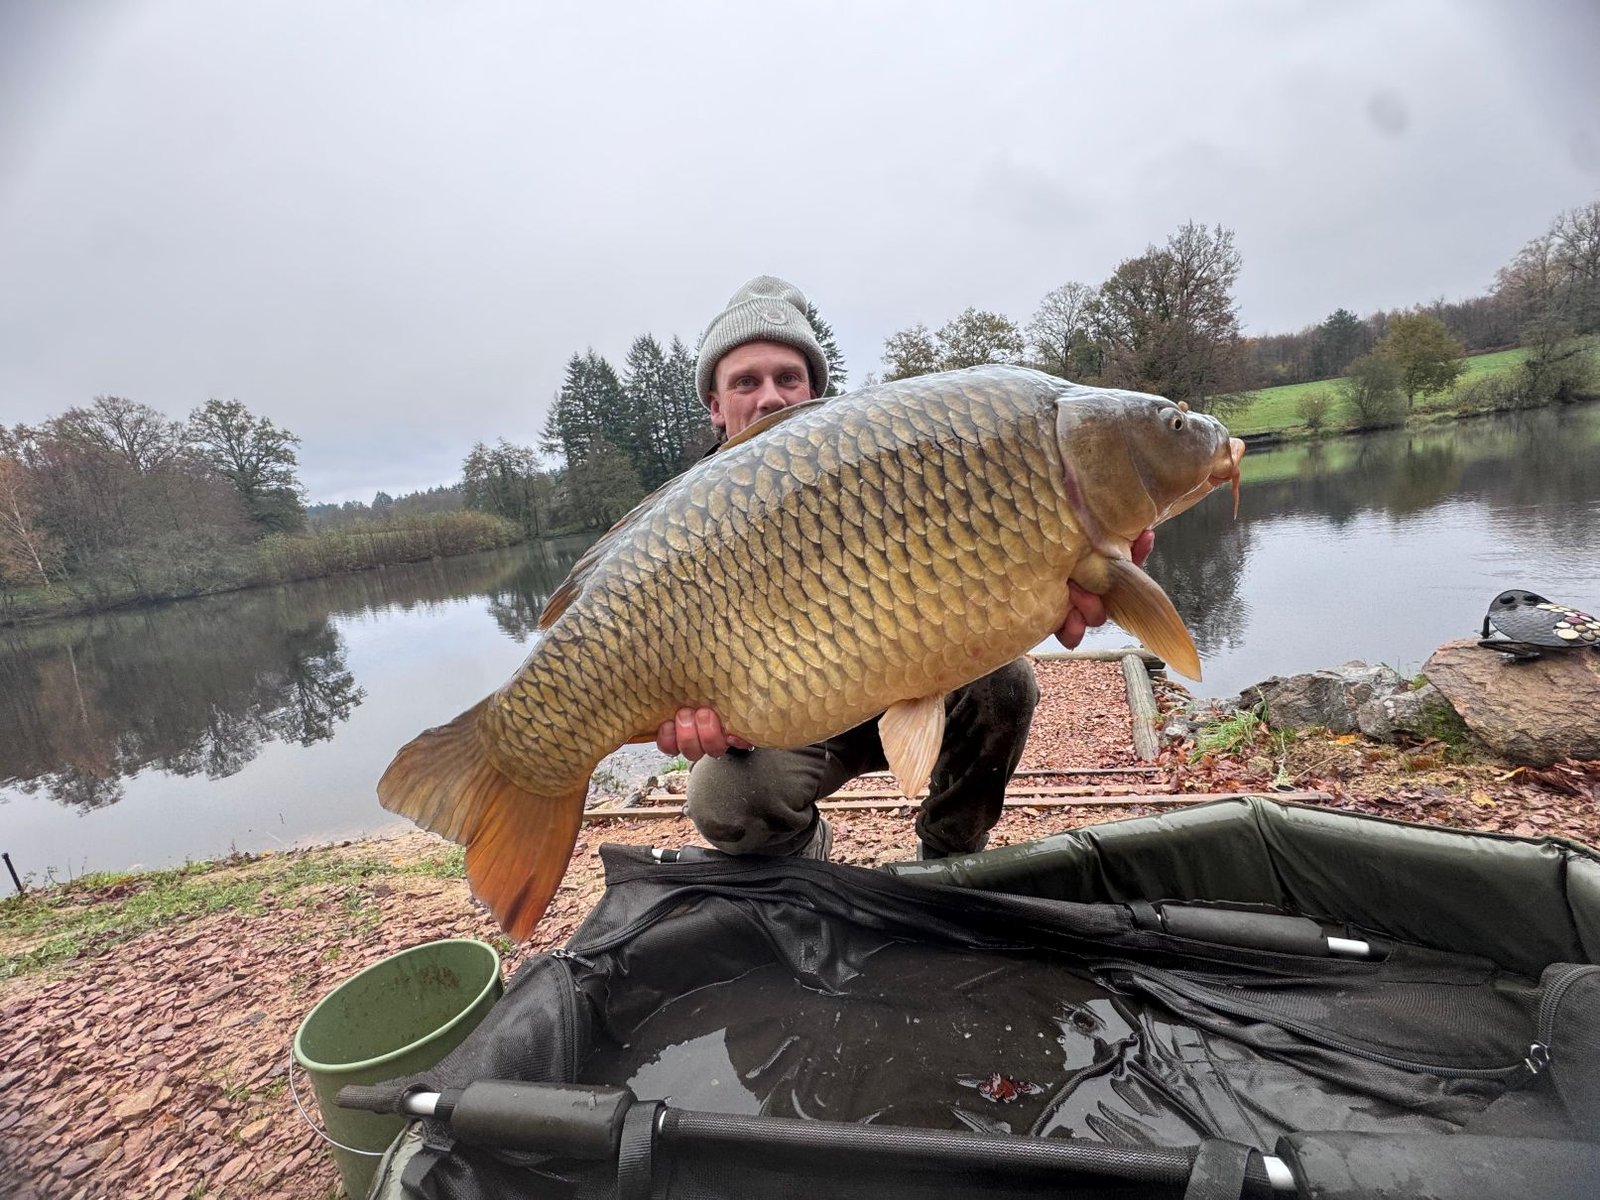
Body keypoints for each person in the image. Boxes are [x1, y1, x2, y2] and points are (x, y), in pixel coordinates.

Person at [656, 275, 1152, 861]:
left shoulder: (875, 464)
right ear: (715, 406)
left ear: (814, 390)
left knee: (1007, 685)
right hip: (797, 715)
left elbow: (987, 565)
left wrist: (1056, 570)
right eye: (746, 382)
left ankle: (949, 858)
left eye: (788, 378)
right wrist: (715, 720)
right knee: (724, 797)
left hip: (910, 675)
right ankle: (804, 865)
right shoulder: (684, 534)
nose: (770, 398)